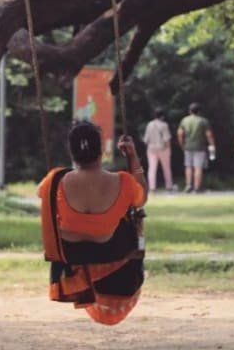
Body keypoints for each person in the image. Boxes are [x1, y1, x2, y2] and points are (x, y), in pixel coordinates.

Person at [37, 121, 147, 325]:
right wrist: (132, 156)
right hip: (111, 250)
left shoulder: (55, 180)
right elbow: (142, 198)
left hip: (70, 253)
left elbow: (40, 193)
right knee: (132, 219)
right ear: (102, 151)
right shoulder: (123, 182)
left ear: (72, 151)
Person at [177, 102, 216, 193]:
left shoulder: (184, 120)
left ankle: (188, 185)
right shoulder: (203, 121)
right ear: (199, 111)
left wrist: (181, 144)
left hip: (187, 146)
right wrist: (212, 145)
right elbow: (209, 135)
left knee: (188, 166)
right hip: (200, 147)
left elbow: (180, 133)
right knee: (198, 167)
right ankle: (196, 187)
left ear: (189, 111)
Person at [143, 108, 174, 191]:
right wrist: (169, 148)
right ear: (162, 116)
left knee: (152, 168)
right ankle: (169, 186)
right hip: (163, 148)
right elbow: (167, 139)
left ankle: (152, 187)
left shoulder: (149, 124)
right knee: (166, 168)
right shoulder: (164, 125)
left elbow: (146, 139)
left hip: (151, 149)